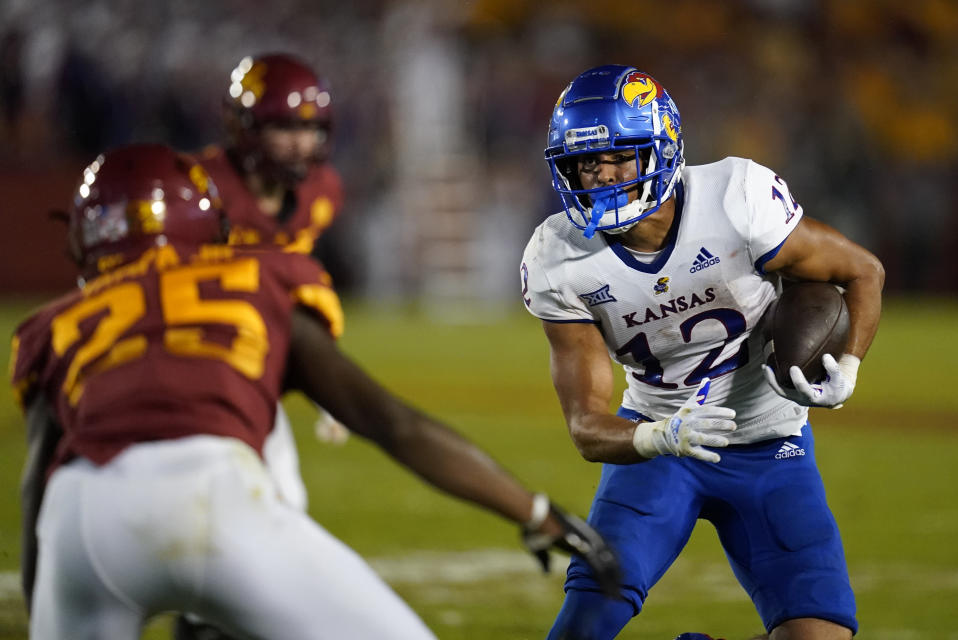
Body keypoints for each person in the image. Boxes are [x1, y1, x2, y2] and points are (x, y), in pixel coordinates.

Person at [13, 143, 621, 639]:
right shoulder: (258, 279)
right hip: (215, 501)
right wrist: (533, 511)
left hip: (83, 518)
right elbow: (393, 424)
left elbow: (36, 482)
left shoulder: (55, 324)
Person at [520, 66, 884, 639]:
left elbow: (862, 271)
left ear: (661, 149)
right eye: (587, 163)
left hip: (772, 443)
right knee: (583, 626)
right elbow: (586, 426)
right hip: (661, 444)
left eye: (620, 158)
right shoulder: (557, 258)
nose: (601, 177)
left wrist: (853, 364)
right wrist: (660, 435)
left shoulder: (736, 201)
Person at [197, 52, 349, 518]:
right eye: (285, 128)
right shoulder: (198, 192)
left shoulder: (320, 193)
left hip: (252, 368)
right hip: (192, 362)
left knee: (283, 503)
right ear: (244, 128)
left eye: (312, 130)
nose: (302, 144)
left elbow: (288, 294)